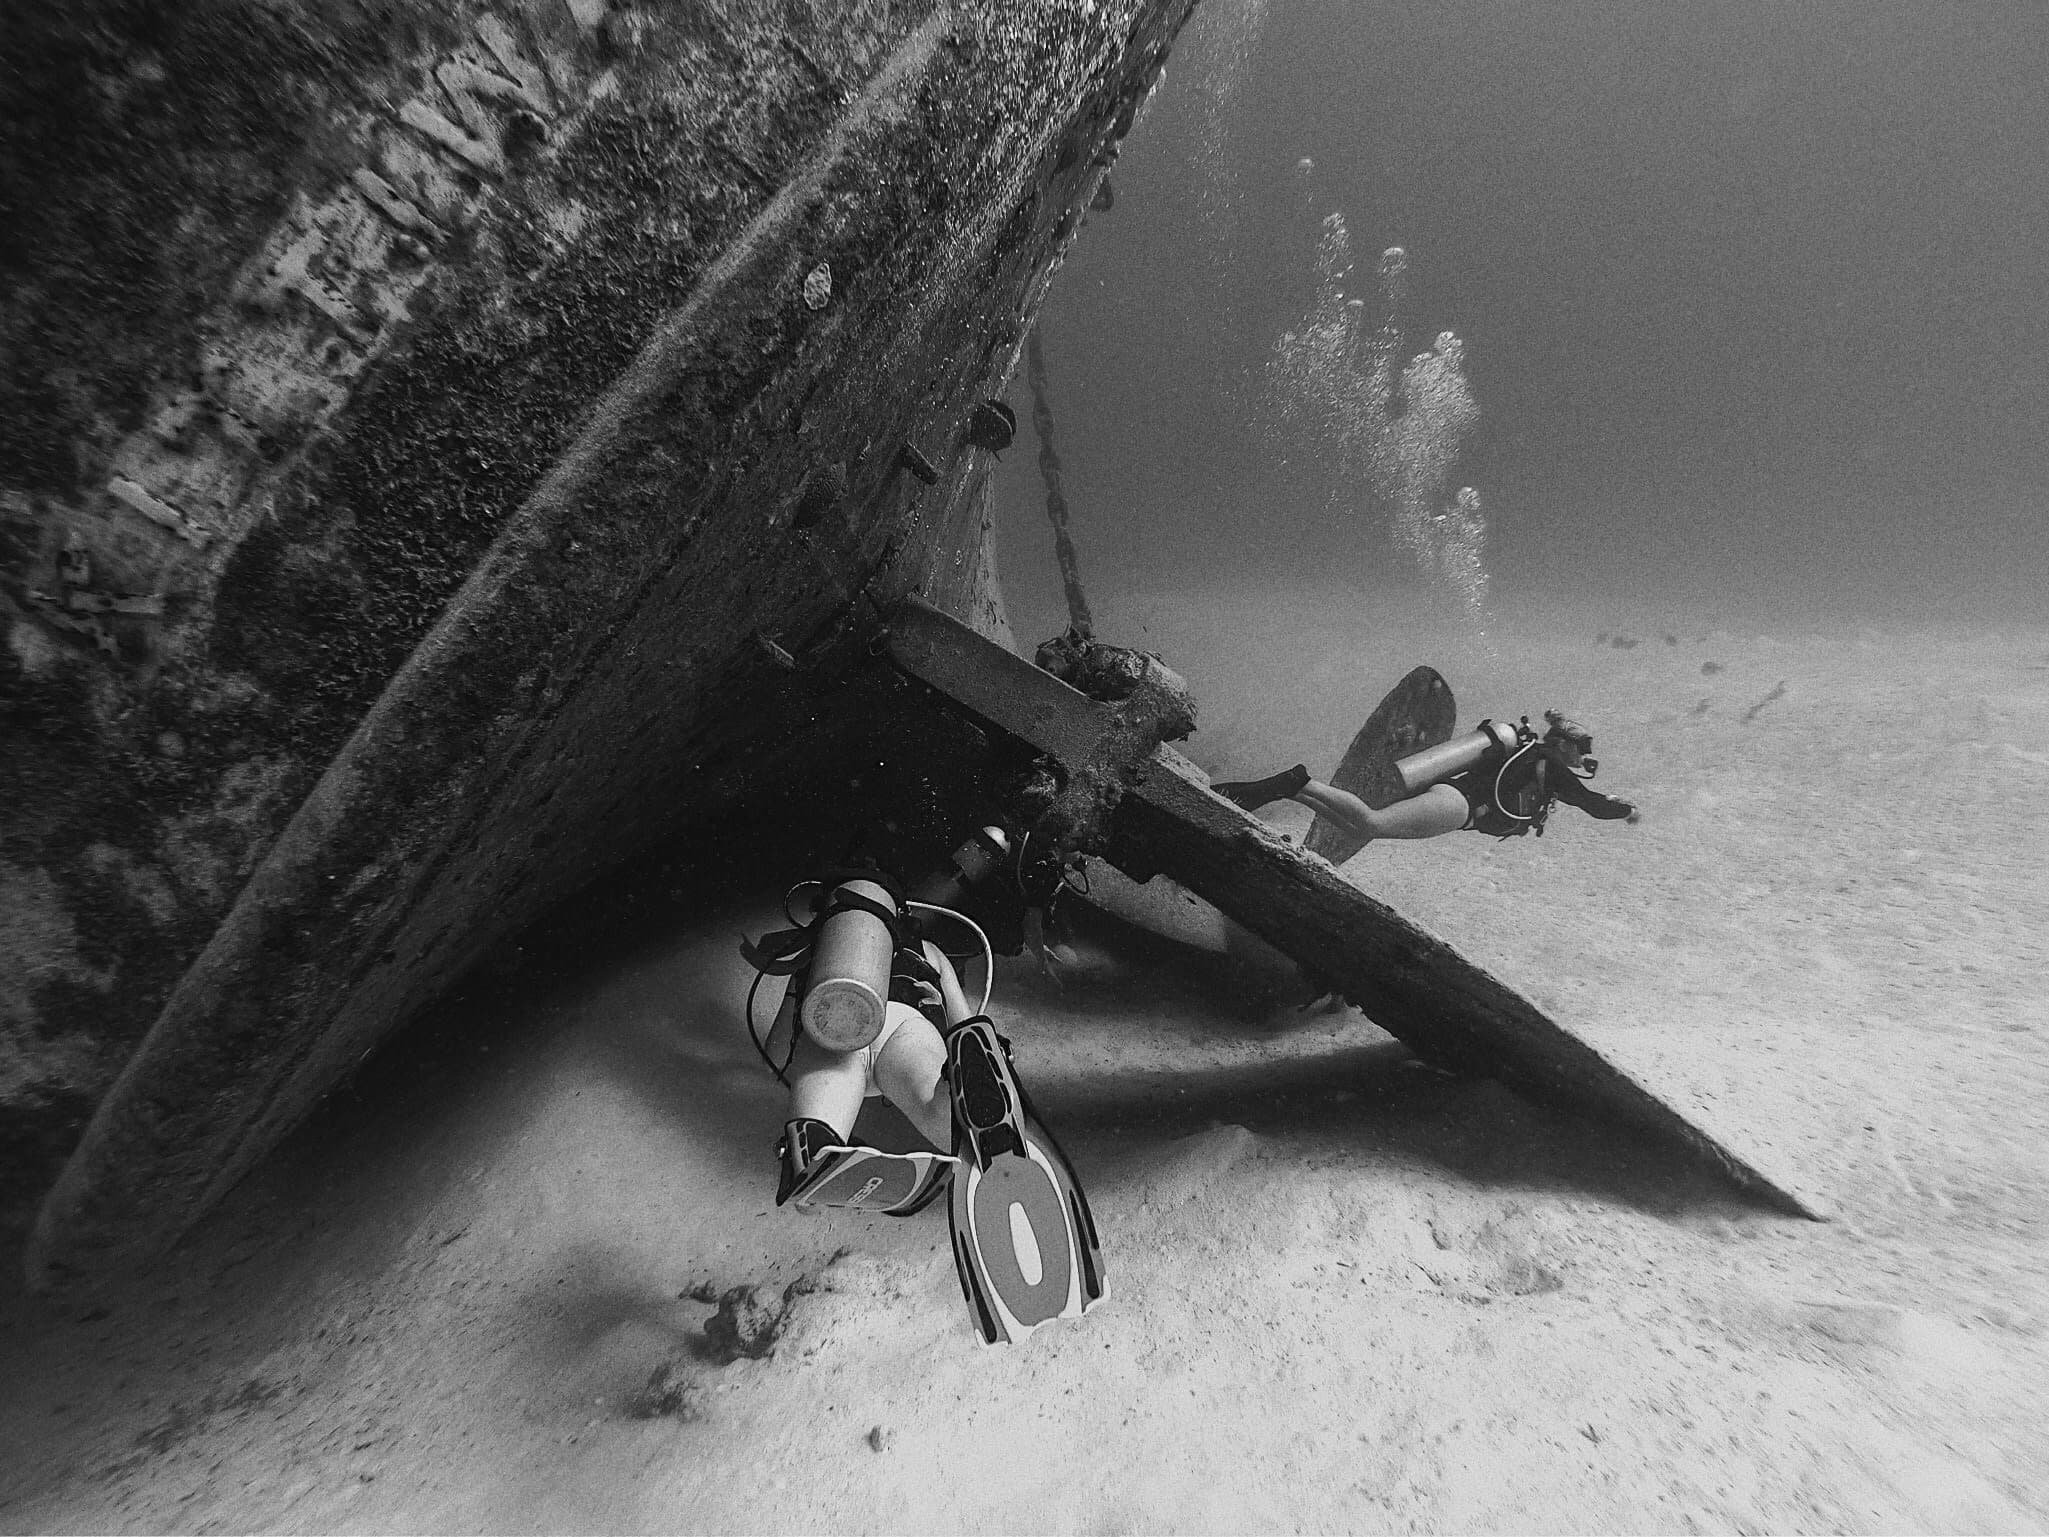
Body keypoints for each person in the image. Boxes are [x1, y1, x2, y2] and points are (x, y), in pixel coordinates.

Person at [1213, 710, 1637, 843]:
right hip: (1462, 803)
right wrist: (1626, 810)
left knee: (1365, 827)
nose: (1585, 758)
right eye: (1583, 750)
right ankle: (1298, 784)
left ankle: (1290, 789)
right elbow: (1591, 804)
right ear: (1564, 743)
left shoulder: (1536, 757)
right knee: (1372, 825)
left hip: (1458, 800)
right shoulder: (1550, 764)